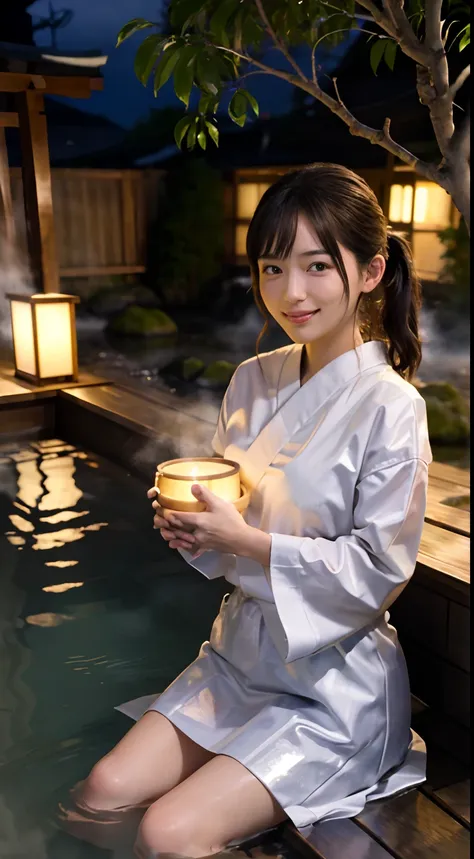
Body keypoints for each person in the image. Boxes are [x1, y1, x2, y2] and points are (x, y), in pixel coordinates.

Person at [80, 164, 432, 858]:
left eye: (316, 266)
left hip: (334, 684)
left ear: (370, 271)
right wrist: (195, 531)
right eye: (273, 268)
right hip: (239, 655)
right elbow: (227, 530)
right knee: (101, 793)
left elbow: (380, 572)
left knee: (166, 831)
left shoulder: (393, 407)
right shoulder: (252, 378)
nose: (290, 293)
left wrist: (252, 541)